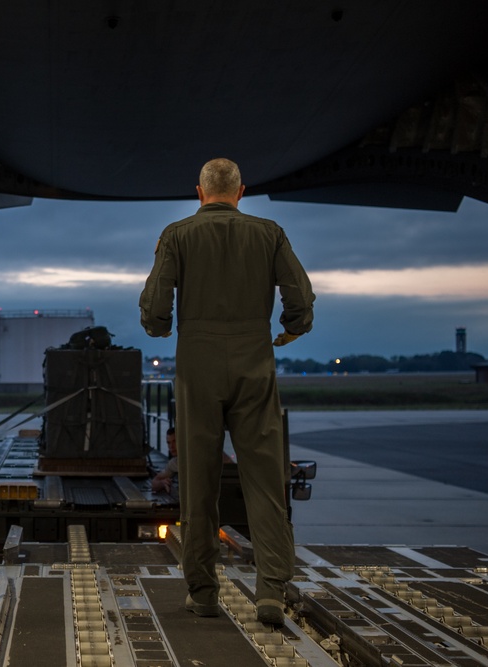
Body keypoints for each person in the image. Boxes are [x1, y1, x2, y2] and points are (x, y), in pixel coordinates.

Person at [139, 158, 315, 626]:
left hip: (197, 365)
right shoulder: (270, 232)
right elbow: (299, 295)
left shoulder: (176, 235)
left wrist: (159, 327)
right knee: (265, 479)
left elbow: (157, 306)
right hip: (255, 361)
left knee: (198, 483)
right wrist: (293, 328)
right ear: (241, 192)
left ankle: (203, 593)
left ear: (199, 191)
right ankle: (272, 591)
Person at [151, 427, 179, 493]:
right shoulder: (174, 463)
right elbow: (154, 483)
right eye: (168, 443)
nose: (171, 446)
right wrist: (163, 483)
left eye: (174, 441)